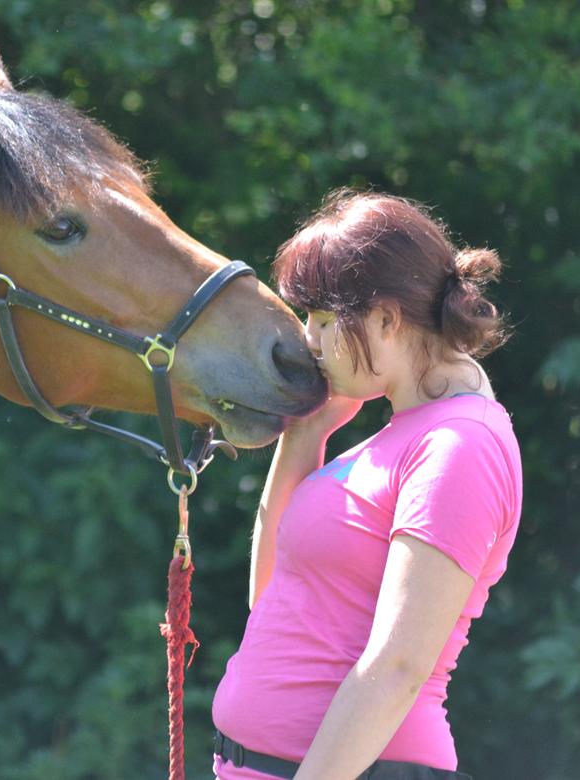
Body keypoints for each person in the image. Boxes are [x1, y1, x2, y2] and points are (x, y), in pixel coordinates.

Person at [210, 189, 523, 780]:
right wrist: (306, 433)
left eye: (324, 320)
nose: (309, 340)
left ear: (385, 318)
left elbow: (400, 665)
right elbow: (274, 601)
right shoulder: (398, 436)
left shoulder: (460, 446)